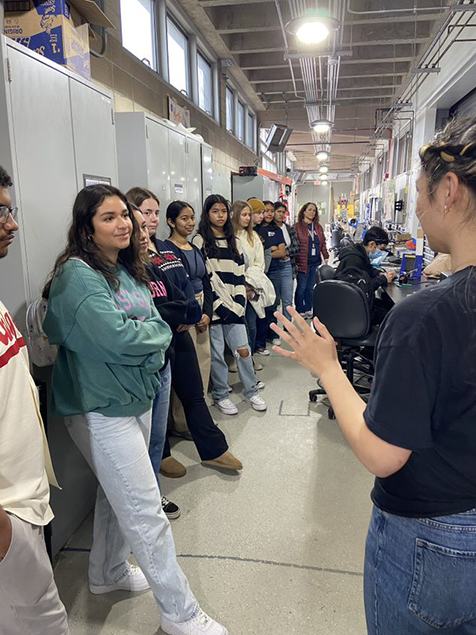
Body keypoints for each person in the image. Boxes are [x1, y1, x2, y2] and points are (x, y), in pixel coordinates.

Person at [272, 116, 476, 635]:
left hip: (438, 533)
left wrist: (327, 367)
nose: (419, 209)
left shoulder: (425, 317)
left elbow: (383, 454)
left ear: (449, 190)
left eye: (420, 194)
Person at [43, 184, 228, 635]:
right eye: (109, 217)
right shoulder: (77, 276)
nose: (124, 223)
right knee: (146, 510)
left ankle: (105, 573)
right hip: (101, 408)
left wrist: (146, 335)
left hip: (135, 396)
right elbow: (124, 337)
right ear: (86, 228)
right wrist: (155, 336)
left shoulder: (124, 269)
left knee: (115, 494)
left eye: (124, 214)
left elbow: (144, 322)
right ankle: (180, 613)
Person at [128, 190, 241, 476]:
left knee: (193, 393)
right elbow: (151, 304)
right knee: (158, 405)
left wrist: (192, 312)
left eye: (154, 213)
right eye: (145, 215)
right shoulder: (131, 258)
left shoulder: (165, 249)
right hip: (158, 338)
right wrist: (179, 313)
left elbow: (181, 289)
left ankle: (213, 449)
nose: (150, 220)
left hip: (181, 330)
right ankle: (161, 453)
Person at [0, 166, 69, 634]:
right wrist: (7, 534)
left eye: (11, 208)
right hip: (9, 518)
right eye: (1, 211)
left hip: (23, 504)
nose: (13, 223)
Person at [193, 194, 267, 415]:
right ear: (207, 214)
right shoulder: (200, 241)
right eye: (215, 211)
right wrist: (220, 307)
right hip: (215, 308)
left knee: (243, 351)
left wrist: (239, 302)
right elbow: (207, 278)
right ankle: (221, 395)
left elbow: (239, 273)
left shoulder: (233, 239)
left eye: (223, 211)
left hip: (235, 306)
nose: (220, 215)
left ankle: (251, 389)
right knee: (216, 355)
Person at [164, 201, 213, 434]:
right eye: (184, 218)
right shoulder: (166, 250)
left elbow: (206, 281)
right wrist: (191, 313)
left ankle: (196, 418)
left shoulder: (194, 248)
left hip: (201, 308)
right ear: (171, 222)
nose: (190, 223)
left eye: (192, 217)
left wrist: (207, 313)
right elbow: (175, 287)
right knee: (186, 371)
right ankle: (180, 422)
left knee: (203, 365)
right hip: (185, 311)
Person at [230, 199, 273, 379]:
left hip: (252, 285)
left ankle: (250, 358)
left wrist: (249, 283)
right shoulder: (229, 236)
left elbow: (259, 263)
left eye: (249, 215)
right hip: (233, 287)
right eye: (244, 214)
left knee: (252, 324)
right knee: (237, 325)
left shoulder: (254, 237)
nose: (248, 218)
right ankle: (236, 358)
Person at [336, 226, 397, 325]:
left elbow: (367, 269)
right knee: (394, 315)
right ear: (372, 244)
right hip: (354, 309)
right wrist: (382, 279)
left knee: (391, 306)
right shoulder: (354, 260)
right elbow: (359, 290)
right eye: (381, 249)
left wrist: (379, 274)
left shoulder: (359, 253)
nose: (382, 253)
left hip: (357, 303)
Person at [254, 200, 286, 354]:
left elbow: (282, 252)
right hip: (259, 273)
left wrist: (269, 252)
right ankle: (260, 339)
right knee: (260, 306)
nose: (267, 214)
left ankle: (272, 333)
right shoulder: (256, 229)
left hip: (274, 271)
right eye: (264, 211)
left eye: (270, 211)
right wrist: (270, 251)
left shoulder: (276, 229)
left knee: (273, 303)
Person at [294, 202, 329, 318]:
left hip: (315, 262)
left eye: (314, 210)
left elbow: (322, 243)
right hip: (302, 263)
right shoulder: (297, 227)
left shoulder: (318, 227)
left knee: (310, 288)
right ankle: (299, 309)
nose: (312, 212)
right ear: (304, 211)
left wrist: (326, 255)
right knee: (301, 288)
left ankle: (308, 308)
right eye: (309, 210)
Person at [270, 200, 300, 323]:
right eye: (278, 212)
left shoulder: (288, 228)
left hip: (287, 265)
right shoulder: (269, 229)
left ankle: (288, 325)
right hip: (273, 267)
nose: (281, 214)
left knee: (287, 298)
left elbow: (297, 247)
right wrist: (277, 252)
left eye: (283, 212)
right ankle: (273, 327)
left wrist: (283, 252)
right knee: (274, 299)